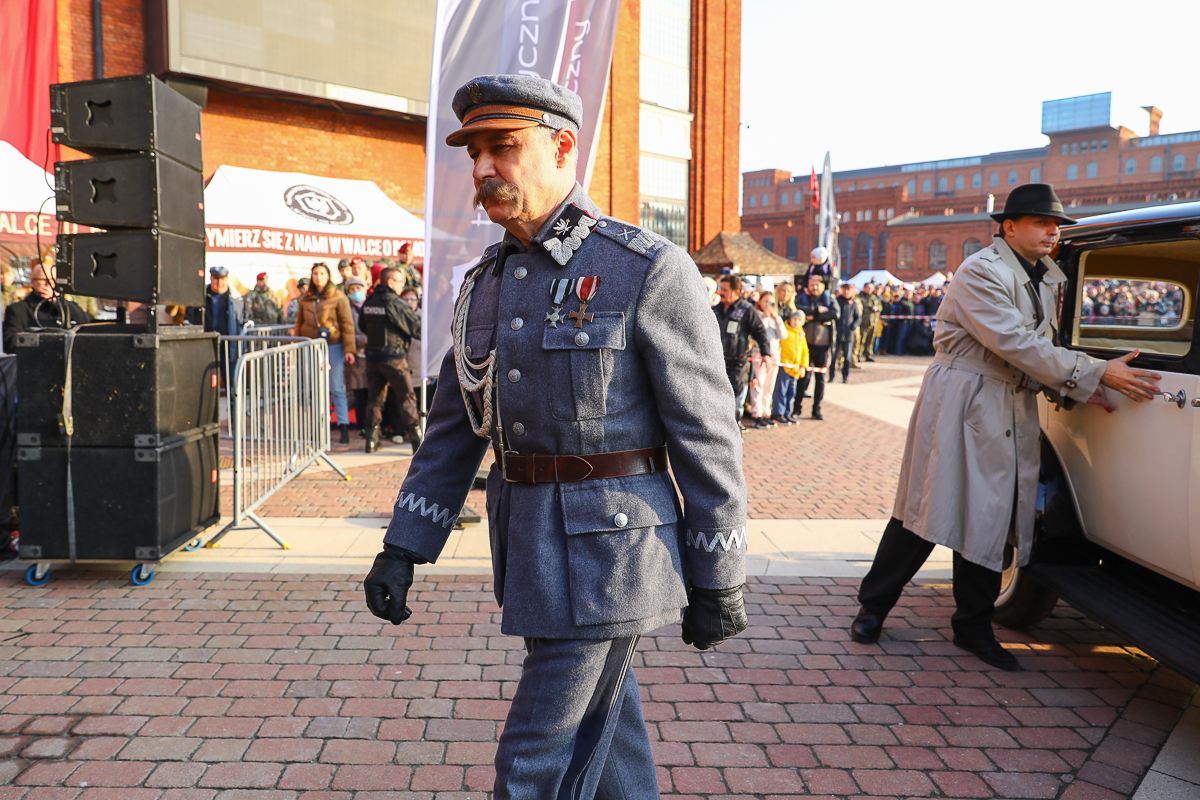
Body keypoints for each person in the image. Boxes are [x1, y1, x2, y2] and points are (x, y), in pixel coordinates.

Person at [362, 74, 748, 800]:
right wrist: (404, 545)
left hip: (614, 556)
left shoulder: (642, 269)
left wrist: (719, 571)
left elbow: (707, 433)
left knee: (535, 764)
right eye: (473, 151)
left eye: (501, 147)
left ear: (563, 145)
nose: (481, 169)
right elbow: (453, 427)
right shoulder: (487, 283)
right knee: (611, 747)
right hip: (531, 551)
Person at [850, 184, 1162, 671]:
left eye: (1056, 224)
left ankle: (972, 625)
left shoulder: (1044, 278)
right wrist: (1096, 372)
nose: (1053, 232)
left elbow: (1035, 351)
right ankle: (874, 606)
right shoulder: (981, 271)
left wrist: (1077, 386)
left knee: (990, 513)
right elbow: (1014, 342)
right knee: (928, 505)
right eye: (1042, 222)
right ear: (1009, 227)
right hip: (964, 398)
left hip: (1006, 399)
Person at [360, 267, 422, 453]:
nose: (403, 285)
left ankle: (371, 441)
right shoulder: (397, 303)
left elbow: (362, 325)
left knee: (375, 400)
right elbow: (417, 330)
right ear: (390, 282)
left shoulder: (369, 301)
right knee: (407, 397)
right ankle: (417, 441)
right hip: (394, 359)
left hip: (373, 358)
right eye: (400, 282)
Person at [293, 262, 356, 444]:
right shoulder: (306, 298)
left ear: (328, 276)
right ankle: (319, 426)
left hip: (333, 346)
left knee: (336, 387)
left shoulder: (338, 296)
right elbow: (299, 323)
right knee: (315, 388)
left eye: (322, 273)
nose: (318, 277)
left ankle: (343, 425)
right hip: (311, 346)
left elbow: (347, 324)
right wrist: (296, 345)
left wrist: (349, 350)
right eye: (315, 274)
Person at [713, 274, 770, 431]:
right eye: (719, 289)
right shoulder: (715, 310)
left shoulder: (746, 310)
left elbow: (760, 332)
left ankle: (733, 427)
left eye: (724, 290)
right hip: (717, 361)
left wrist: (766, 353)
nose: (720, 293)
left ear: (736, 292)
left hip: (737, 362)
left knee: (733, 395)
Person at [3, 262, 93, 352]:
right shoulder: (18, 309)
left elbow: (89, 324)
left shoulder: (66, 306)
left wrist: (58, 303)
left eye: (54, 280)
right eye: (43, 280)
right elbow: (10, 342)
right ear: (33, 282)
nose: (49, 284)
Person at [795, 275, 836, 419]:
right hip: (805, 345)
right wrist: (818, 311)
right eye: (812, 285)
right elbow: (799, 310)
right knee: (802, 377)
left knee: (820, 379)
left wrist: (814, 316)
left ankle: (817, 408)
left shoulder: (830, 299)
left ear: (823, 286)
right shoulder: (802, 298)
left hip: (823, 346)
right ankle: (797, 407)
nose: (815, 287)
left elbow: (835, 313)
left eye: (817, 285)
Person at [747, 291, 787, 428]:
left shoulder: (775, 318)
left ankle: (765, 413)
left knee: (769, 387)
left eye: (771, 302)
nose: (768, 305)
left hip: (774, 355)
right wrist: (764, 317)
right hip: (759, 354)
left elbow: (783, 336)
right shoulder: (756, 316)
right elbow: (756, 333)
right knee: (758, 386)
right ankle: (757, 414)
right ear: (759, 302)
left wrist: (778, 320)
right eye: (765, 301)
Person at [186, 266, 246, 336]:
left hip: (228, 343)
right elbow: (190, 318)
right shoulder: (198, 298)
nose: (219, 283)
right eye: (216, 279)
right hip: (204, 342)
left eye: (222, 279)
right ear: (211, 278)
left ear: (227, 279)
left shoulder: (237, 299)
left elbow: (243, 321)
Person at [344, 276, 369, 434]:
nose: (356, 292)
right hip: (356, 354)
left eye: (358, 288)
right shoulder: (347, 308)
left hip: (371, 354)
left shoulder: (370, 306)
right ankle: (362, 425)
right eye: (352, 289)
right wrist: (363, 340)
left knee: (372, 392)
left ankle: (372, 424)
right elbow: (347, 331)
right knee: (359, 391)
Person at [773, 309, 808, 424]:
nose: (796, 322)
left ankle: (787, 412)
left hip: (795, 369)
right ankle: (778, 412)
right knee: (781, 390)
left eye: (799, 320)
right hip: (785, 366)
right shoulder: (785, 331)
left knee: (791, 392)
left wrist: (803, 366)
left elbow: (804, 351)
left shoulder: (801, 334)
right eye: (795, 319)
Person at [834, 282, 862, 382]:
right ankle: (831, 376)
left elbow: (858, 317)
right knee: (834, 356)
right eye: (844, 289)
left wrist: (853, 327)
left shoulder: (853, 303)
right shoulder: (837, 301)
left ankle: (845, 377)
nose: (846, 291)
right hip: (837, 333)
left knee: (847, 357)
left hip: (848, 334)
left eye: (848, 289)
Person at [858, 282, 882, 362]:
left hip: (873, 322)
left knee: (871, 340)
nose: (869, 289)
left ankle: (868, 355)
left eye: (871, 288)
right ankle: (858, 355)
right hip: (863, 322)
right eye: (868, 287)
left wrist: (877, 308)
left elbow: (880, 306)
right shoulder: (860, 298)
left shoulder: (874, 297)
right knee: (861, 340)